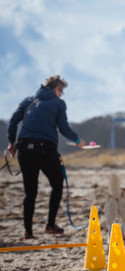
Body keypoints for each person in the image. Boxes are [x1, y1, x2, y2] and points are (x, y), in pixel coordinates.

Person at [6, 75, 85, 240]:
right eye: (61, 92)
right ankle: (50, 224)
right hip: (45, 150)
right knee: (57, 184)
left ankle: (28, 232)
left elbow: (13, 121)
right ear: (56, 89)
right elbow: (63, 128)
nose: (61, 95)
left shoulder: (28, 101)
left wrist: (11, 143)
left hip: (25, 150)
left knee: (30, 192)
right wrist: (78, 140)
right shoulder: (58, 103)